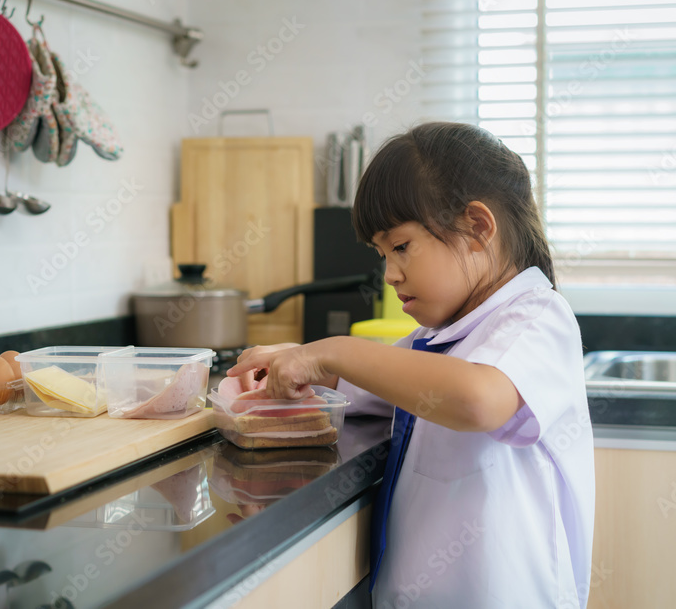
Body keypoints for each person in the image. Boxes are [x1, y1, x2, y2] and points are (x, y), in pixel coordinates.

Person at [226, 122, 595, 608]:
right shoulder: (439, 339)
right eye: (382, 254)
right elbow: (373, 381)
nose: (390, 274)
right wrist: (295, 358)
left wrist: (332, 350)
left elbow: (477, 399)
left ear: (478, 227)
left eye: (400, 247)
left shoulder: (538, 319)